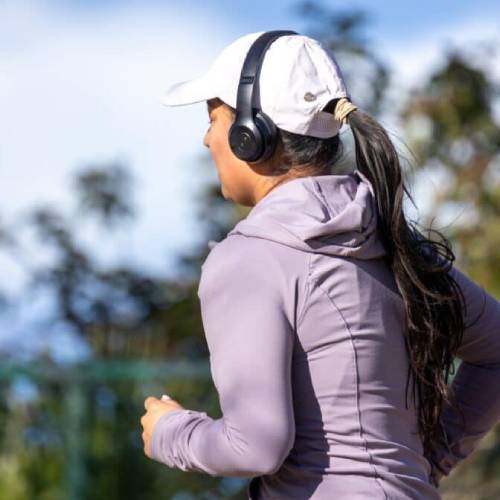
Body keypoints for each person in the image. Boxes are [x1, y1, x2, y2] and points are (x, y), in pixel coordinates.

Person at [140, 31, 500, 499]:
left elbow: (255, 446)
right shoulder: (396, 242)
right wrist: (424, 462)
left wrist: (170, 432)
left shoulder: (247, 258)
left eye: (213, 118)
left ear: (251, 135)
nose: (207, 138)